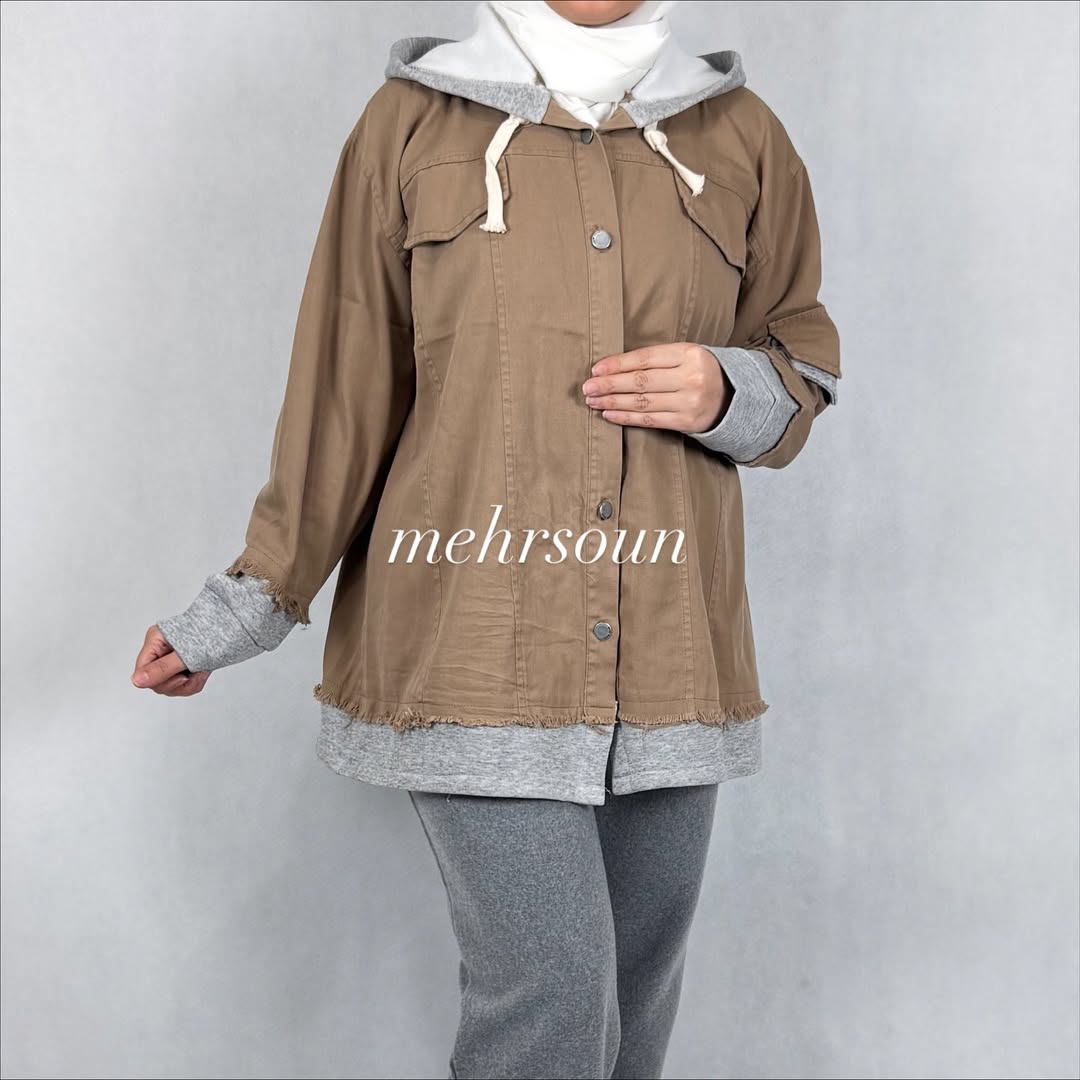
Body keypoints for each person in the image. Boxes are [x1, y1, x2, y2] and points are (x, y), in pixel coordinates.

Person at [131, 1, 841, 1076]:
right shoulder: (410, 124)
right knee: (553, 1001)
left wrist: (727, 388)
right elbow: (343, 391)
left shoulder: (741, 132)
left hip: (674, 659)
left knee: (631, 1008)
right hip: (470, 648)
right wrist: (243, 607)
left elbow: (802, 355)